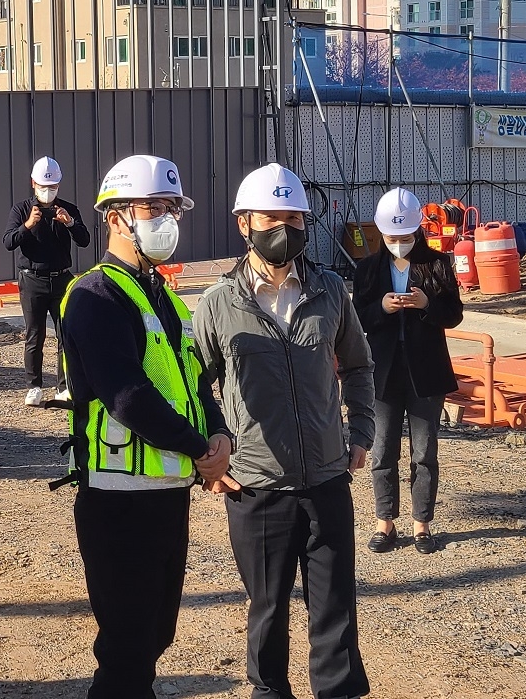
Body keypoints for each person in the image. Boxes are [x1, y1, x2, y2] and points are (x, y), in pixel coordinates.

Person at [191, 163, 375, 699]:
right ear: (244, 222)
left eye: (295, 218)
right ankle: (268, 692)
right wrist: (211, 456)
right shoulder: (218, 303)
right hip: (256, 486)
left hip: (325, 478)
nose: (285, 229)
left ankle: (337, 691)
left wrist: (360, 430)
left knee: (336, 604)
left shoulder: (330, 291)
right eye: (273, 218)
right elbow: (196, 384)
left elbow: (359, 365)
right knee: (268, 609)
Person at [59, 154, 231, 699]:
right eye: (152, 208)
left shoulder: (165, 295)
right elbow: (126, 395)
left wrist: (220, 431)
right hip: (117, 499)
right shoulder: (94, 296)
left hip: (166, 492)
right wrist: (200, 448)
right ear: (114, 216)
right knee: (127, 647)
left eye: (172, 208)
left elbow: (195, 381)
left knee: (156, 633)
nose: (166, 219)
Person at [353, 188, 463, 556]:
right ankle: (385, 523)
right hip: (382, 374)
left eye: (406, 237)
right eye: (392, 238)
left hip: (426, 374)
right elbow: (355, 320)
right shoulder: (368, 270)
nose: (399, 244)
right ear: (382, 235)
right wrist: (382, 307)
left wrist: (427, 304)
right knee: (382, 449)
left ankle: (422, 524)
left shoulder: (438, 264)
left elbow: (454, 313)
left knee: (424, 451)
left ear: (417, 231)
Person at [4, 156, 90, 407]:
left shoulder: (68, 209)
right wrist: (28, 225)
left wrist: (70, 223)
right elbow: (8, 242)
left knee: (65, 335)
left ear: (59, 185)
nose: (47, 191)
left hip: (61, 279)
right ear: (33, 183)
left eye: (52, 187)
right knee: (35, 336)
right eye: (43, 186)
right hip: (32, 280)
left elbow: (84, 239)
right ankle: (34, 386)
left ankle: (63, 386)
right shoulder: (21, 210)